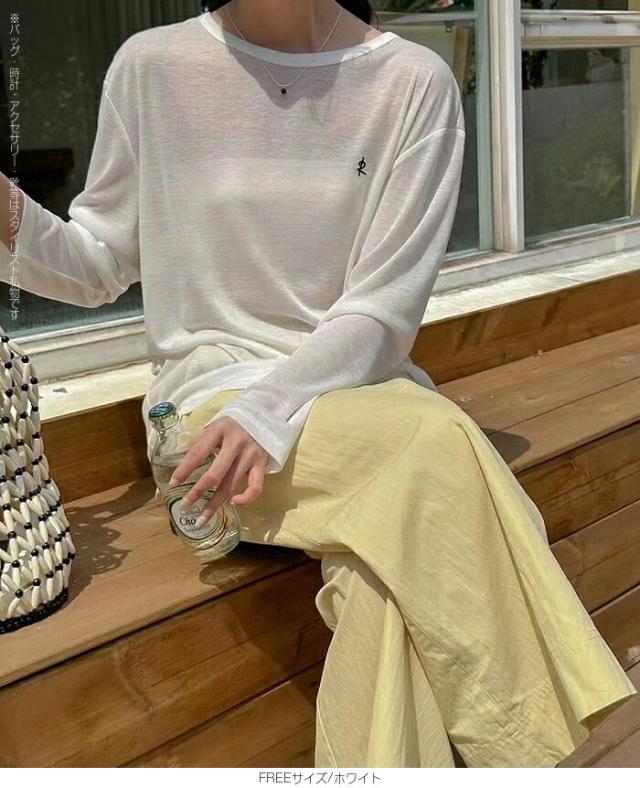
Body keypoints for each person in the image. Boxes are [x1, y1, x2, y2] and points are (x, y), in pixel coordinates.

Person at [1, 0, 636, 769]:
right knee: (436, 440)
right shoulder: (153, 68)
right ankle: (537, 757)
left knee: (382, 585)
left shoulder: (412, 82)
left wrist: (274, 410)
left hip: (363, 396)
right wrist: (10, 214)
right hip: (215, 415)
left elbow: (382, 310)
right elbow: (97, 264)